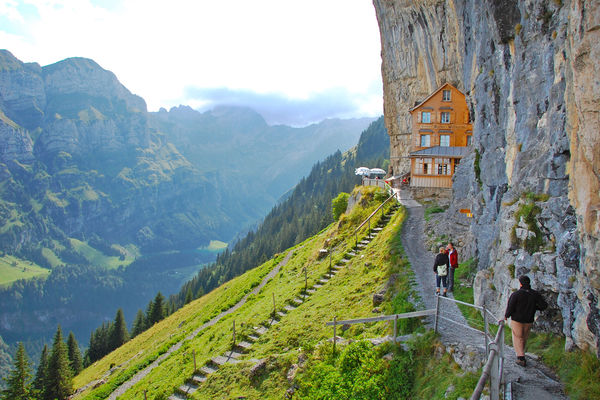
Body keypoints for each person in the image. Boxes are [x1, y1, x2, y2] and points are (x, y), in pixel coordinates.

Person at [502, 275, 547, 367]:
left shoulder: (516, 294)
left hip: (517, 319)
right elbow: (544, 305)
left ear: (521, 283)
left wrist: (506, 316)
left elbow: (510, 306)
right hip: (529, 319)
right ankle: (522, 354)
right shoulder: (535, 294)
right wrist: (534, 307)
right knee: (524, 337)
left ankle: (521, 357)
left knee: (517, 337)